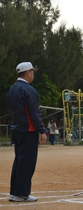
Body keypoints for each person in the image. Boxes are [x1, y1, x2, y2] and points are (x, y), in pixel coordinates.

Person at [6, 62, 47, 202]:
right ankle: (22, 193)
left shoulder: (12, 89)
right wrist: (41, 130)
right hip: (28, 130)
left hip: (16, 129)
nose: (33, 74)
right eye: (32, 71)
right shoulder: (28, 90)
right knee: (27, 162)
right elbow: (35, 112)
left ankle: (14, 192)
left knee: (18, 161)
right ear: (28, 73)